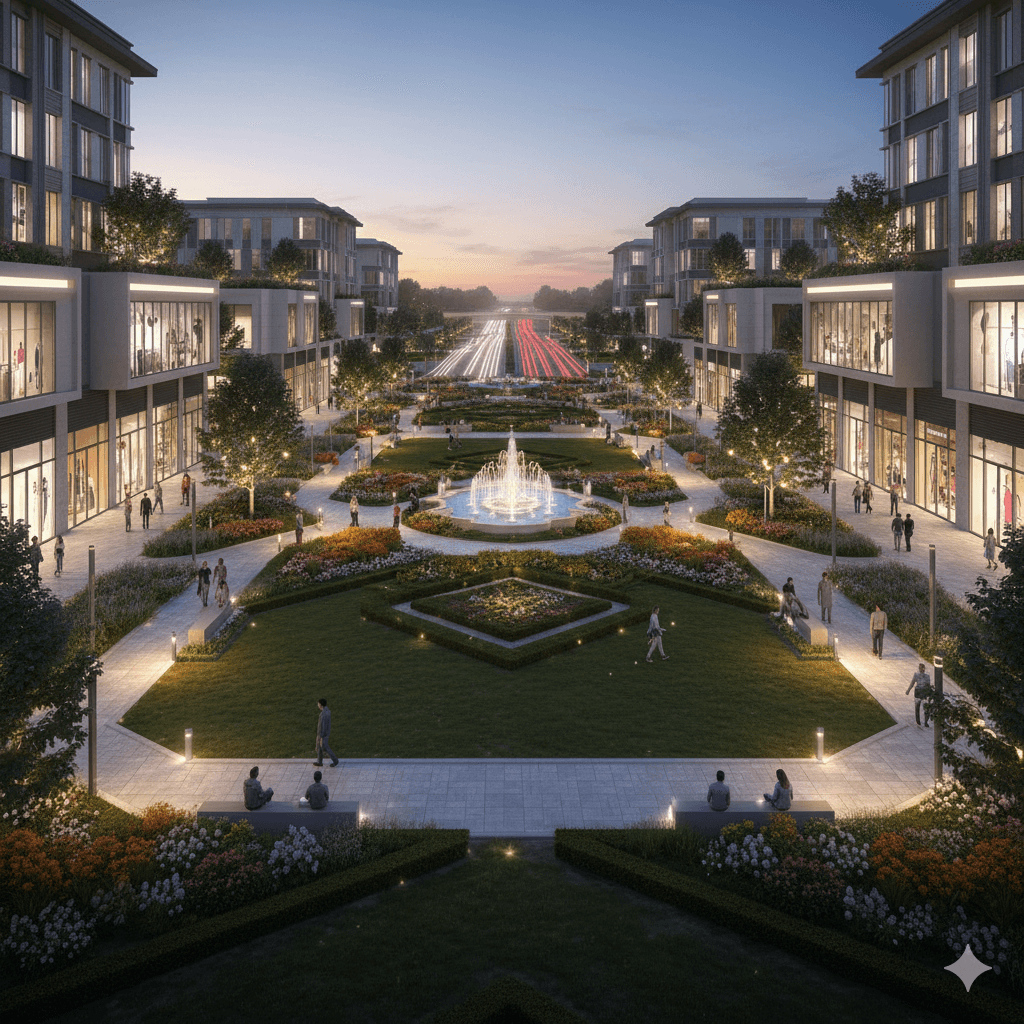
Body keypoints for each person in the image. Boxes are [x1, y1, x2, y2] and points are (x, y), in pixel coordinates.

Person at [314, 698, 340, 766]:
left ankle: (335, 760)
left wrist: (320, 736)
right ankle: (319, 762)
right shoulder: (327, 711)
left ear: (321, 705)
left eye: (318, 704)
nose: (318, 705)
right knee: (319, 747)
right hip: (325, 733)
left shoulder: (323, 714)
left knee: (325, 747)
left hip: (322, 734)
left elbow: (323, 726)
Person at [905, 663, 932, 728]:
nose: (922, 669)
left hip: (922, 692)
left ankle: (924, 721)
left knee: (924, 707)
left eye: (922, 668)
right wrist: (908, 690)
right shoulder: (917, 675)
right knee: (918, 706)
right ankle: (919, 721)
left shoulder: (926, 676)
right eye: (921, 668)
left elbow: (928, 685)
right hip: (919, 692)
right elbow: (912, 683)